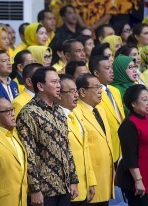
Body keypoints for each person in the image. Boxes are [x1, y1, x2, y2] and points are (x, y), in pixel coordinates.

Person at [17, 67, 79, 205]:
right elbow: (29, 153)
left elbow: (66, 147)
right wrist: (35, 189)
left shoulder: (58, 110)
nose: (59, 85)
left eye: (59, 82)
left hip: (64, 186)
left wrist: (73, 180)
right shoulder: (29, 113)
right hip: (44, 189)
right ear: (40, 86)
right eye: (54, 82)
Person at [118, 84, 148, 205]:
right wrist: (138, 180)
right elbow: (130, 156)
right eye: (144, 100)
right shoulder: (128, 124)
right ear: (133, 104)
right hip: (140, 183)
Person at [75, 74, 114, 205]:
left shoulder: (100, 110)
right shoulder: (75, 112)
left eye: (100, 87)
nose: (100, 91)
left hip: (106, 176)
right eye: (96, 87)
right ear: (82, 91)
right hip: (91, 180)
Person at [58, 75, 96, 205]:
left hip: (84, 186)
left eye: (76, 91)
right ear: (59, 94)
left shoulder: (76, 114)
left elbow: (85, 150)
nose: (76, 95)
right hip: (68, 188)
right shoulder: (55, 118)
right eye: (71, 91)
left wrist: (91, 181)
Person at [0, 97, 28, 205]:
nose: (13, 114)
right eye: (8, 111)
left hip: (22, 199)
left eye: (12, 109)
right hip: (3, 201)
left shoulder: (15, 133)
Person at [89, 55, 125, 163]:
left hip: (122, 144)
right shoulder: (93, 93)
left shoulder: (115, 91)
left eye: (112, 68)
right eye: (107, 68)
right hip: (108, 146)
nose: (111, 71)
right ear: (96, 73)